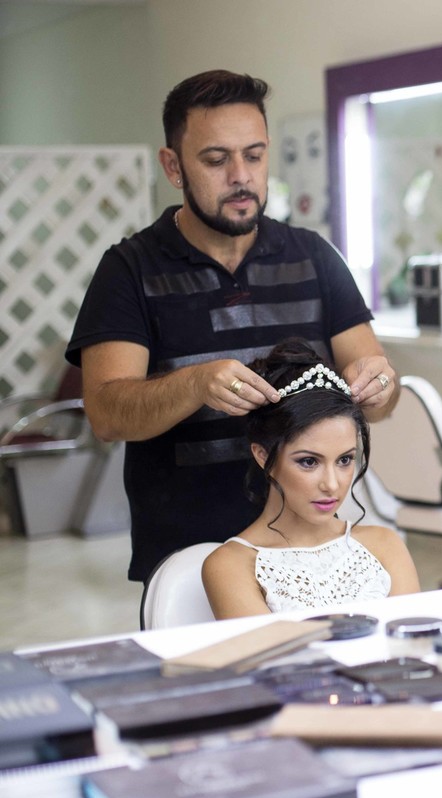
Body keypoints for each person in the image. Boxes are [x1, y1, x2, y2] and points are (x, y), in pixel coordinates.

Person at [65, 70, 398, 583]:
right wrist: (196, 383)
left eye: (255, 155)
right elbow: (107, 415)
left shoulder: (314, 258)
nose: (241, 175)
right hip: (187, 558)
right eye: (217, 159)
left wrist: (380, 385)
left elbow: (380, 400)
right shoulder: (129, 270)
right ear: (173, 167)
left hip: (309, 550)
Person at [202, 340, 418, 619]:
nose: (332, 484)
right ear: (262, 455)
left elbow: (413, 648)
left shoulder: (385, 545)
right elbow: (276, 660)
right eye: (309, 462)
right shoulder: (230, 566)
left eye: (344, 460)